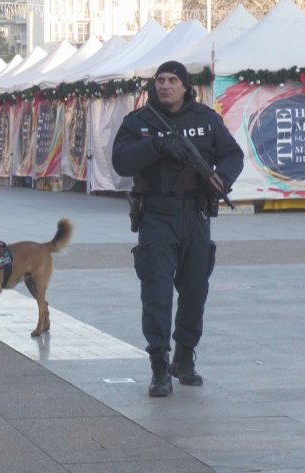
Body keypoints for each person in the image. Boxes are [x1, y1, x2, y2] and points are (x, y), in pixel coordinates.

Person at [112, 60, 243, 397]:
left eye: (172, 80)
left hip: (196, 216)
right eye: (160, 80)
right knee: (156, 293)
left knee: (195, 292)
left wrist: (223, 178)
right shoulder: (140, 122)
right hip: (157, 216)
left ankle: (184, 356)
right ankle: (159, 363)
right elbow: (121, 161)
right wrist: (155, 146)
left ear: (185, 86)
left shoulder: (206, 120)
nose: (165, 86)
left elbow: (233, 155)